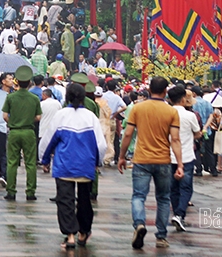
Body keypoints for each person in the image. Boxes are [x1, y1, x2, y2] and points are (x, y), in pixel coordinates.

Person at [39, 82, 107, 249]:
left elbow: (48, 140)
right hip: (85, 165)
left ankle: (70, 236)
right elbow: (101, 145)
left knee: (65, 200)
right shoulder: (91, 117)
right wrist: (98, 162)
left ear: (67, 97)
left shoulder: (61, 115)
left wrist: (45, 159)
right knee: (84, 200)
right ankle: (84, 232)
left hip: (64, 165)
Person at [118, 76, 182, 249]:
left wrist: (122, 156)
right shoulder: (171, 111)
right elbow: (175, 139)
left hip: (141, 159)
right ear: (165, 91)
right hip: (163, 160)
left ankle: (139, 223)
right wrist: (180, 164)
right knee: (163, 198)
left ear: (149, 90)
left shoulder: (138, 108)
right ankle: (161, 237)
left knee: (139, 196)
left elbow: (128, 134)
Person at [2, 65, 41, 201]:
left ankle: (11, 191)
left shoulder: (11, 97)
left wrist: (14, 121)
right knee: (30, 163)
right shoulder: (34, 98)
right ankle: (30, 192)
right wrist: (28, 119)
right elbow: (38, 117)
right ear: (29, 82)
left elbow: (5, 116)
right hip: (29, 131)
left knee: (12, 162)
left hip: (14, 131)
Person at [167, 85, 201, 233]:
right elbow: (198, 133)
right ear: (183, 99)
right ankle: (180, 214)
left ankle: (177, 213)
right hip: (186, 155)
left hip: (168, 155)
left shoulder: (165, 113)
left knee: (173, 188)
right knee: (186, 188)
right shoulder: (189, 115)